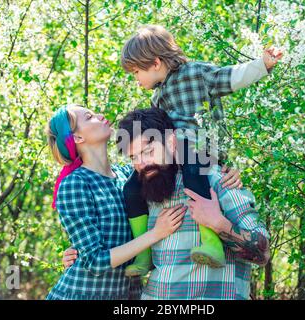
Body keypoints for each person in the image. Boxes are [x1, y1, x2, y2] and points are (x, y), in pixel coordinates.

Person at [119, 25, 281, 275]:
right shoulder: (158, 95)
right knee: (131, 188)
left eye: (136, 71)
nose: (136, 79)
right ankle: (144, 254)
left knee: (194, 173)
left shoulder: (194, 73)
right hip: (178, 154)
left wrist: (262, 64)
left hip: (200, 149)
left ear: (154, 63)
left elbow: (229, 77)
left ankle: (211, 242)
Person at [65, 108, 271, 300]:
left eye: (148, 151)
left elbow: (263, 254)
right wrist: (76, 252)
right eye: (133, 157)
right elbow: (113, 243)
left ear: (172, 142)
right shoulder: (142, 192)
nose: (142, 164)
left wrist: (218, 222)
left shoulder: (215, 181)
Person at [45, 104, 186, 300]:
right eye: (89, 116)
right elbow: (94, 261)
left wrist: (224, 172)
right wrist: (156, 233)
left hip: (127, 295)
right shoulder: (75, 184)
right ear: (78, 138)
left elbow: (173, 170)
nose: (100, 115)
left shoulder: (129, 175)